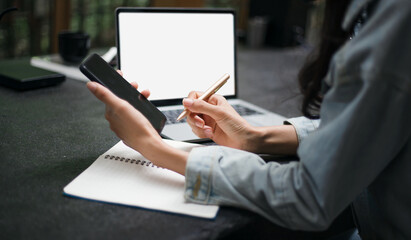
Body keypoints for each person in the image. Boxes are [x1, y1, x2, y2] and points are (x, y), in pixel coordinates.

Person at [86, 0, 411, 239]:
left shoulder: (393, 30)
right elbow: (369, 123)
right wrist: (255, 137)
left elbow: (309, 195)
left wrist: (154, 147)